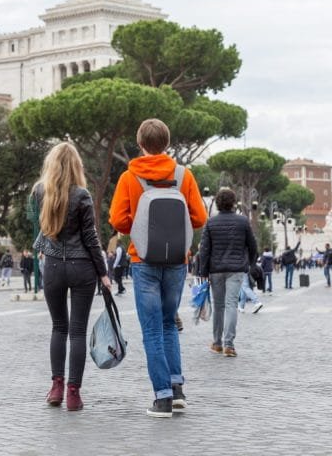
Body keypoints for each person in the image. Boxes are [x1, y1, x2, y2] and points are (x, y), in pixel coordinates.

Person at [109, 119, 207, 418]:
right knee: (168, 325)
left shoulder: (130, 177)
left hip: (143, 261)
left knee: (152, 328)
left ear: (140, 144)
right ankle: (177, 390)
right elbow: (200, 217)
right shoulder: (183, 175)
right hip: (177, 260)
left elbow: (117, 220)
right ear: (167, 143)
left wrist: (139, 229)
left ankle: (162, 397)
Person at [34, 142, 111, 412]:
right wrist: (103, 272)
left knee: (58, 327)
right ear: (77, 166)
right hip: (82, 268)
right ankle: (73, 393)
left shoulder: (40, 191)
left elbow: (42, 229)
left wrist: (43, 251)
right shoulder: (82, 195)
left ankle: (56, 387)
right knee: (77, 331)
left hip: (53, 266)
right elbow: (90, 237)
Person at [198, 188, 256, 357]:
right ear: (233, 203)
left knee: (219, 306)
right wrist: (249, 264)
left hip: (216, 270)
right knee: (231, 305)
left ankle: (217, 343)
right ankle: (229, 345)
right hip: (236, 269)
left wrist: (203, 271)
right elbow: (253, 246)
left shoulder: (211, 222)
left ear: (217, 203)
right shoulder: (243, 221)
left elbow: (204, 250)